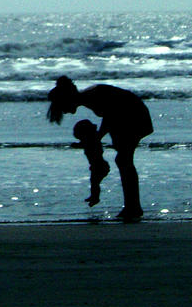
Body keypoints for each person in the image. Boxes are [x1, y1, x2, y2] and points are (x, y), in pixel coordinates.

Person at [47, 76, 153, 222]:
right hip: (125, 117)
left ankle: (133, 207)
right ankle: (132, 206)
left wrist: (98, 136)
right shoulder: (90, 97)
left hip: (135, 116)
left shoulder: (93, 95)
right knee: (123, 160)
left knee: (123, 160)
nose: (64, 112)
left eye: (62, 106)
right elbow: (112, 116)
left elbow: (112, 114)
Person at [72, 118, 110, 206]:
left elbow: (86, 144)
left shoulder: (92, 140)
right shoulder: (92, 139)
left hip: (100, 166)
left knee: (94, 182)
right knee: (94, 182)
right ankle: (94, 196)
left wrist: (77, 145)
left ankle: (95, 197)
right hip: (97, 166)